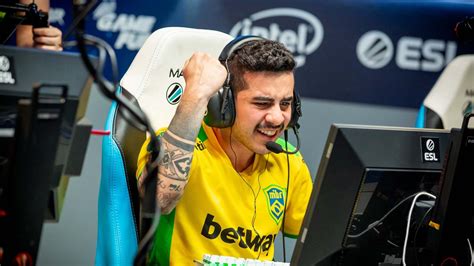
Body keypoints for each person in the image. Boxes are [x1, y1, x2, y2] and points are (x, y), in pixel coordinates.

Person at [136, 39, 313, 264]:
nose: (278, 118)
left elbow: (319, 242)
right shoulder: (174, 146)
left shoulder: (290, 162)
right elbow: (160, 200)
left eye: (285, 104)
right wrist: (197, 96)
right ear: (224, 103)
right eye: (262, 104)